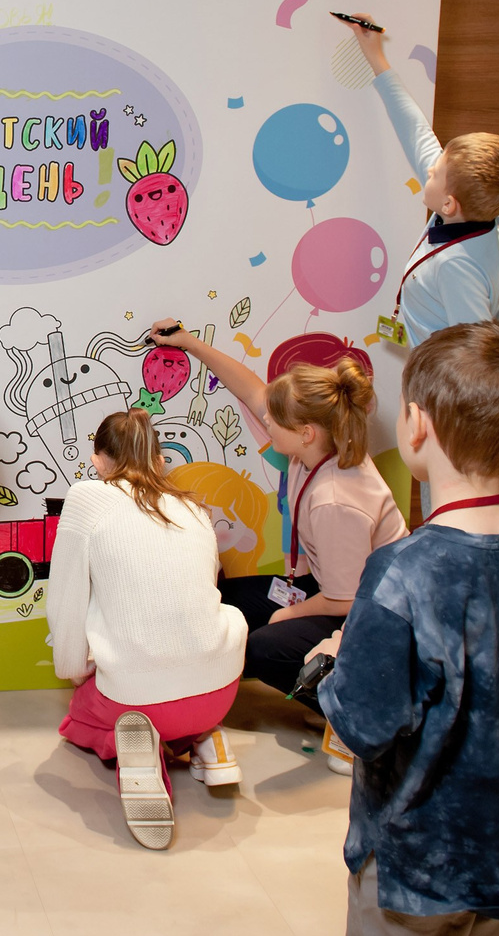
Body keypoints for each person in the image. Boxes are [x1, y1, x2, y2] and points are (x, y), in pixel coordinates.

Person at [315, 321, 499, 932]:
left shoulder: (401, 572)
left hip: (416, 863)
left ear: (416, 424)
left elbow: (363, 726)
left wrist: (340, 659)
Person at [148, 321, 404, 772]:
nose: (265, 421)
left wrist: (288, 614)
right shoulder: (317, 442)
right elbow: (251, 389)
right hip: (326, 586)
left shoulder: (336, 500)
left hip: (369, 613)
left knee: (262, 646)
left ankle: (359, 716)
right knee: (221, 603)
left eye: (274, 419)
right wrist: (187, 342)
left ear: (306, 432)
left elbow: (347, 599)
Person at [45, 409, 248, 851]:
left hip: (136, 699)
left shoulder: (87, 498)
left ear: (98, 461)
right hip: (219, 691)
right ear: (159, 460)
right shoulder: (193, 507)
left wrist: (74, 670)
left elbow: (64, 600)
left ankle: (143, 754)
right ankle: (205, 738)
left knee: (82, 716)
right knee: (179, 677)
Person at [349, 15, 499, 347]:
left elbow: (476, 352)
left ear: (449, 203)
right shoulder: (481, 213)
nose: (429, 169)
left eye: (435, 173)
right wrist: (376, 55)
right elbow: (416, 131)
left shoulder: (457, 267)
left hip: (438, 378)